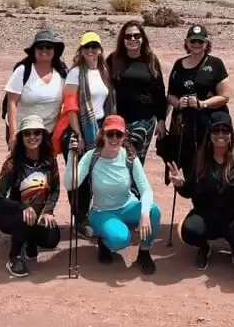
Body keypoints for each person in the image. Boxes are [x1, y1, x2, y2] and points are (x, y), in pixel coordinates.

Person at [167, 110, 234, 270]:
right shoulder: (200, 158)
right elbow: (189, 192)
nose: (221, 135)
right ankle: (204, 247)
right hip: (207, 215)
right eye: (216, 130)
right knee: (188, 231)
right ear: (210, 133)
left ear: (231, 134)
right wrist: (180, 185)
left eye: (225, 130)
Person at [65, 115, 162, 275]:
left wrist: (144, 213)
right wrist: (71, 155)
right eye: (110, 134)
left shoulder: (129, 157)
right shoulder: (92, 156)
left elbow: (146, 189)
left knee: (154, 211)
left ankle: (144, 252)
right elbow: (70, 184)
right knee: (120, 240)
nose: (114, 138)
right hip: (102, 212)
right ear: (103, 135)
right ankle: (104, 242)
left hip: (128, 207)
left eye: (119, 134)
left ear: (124, 136)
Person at [53, 31, 115, 237]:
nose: (91, 50)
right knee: (78, 177)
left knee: (93, 176)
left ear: (99, 49)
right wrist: (78, 134)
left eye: (94, 47)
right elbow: (70, 106)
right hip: (77, 128)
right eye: (87, 47)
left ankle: (92, 216)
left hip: (98, 128)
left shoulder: (104, 71)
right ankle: (79, 219)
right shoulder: (75, 73)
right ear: (81, 50)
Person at [0, 115, 61, 278]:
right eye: (27, 133)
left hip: (37, 213)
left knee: (51, 239)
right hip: (10, 214)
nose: (32, 137)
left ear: (43, 136)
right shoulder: (12, 163)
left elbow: (55, 190)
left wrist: (48, 211)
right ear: (21, 137)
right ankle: (14, 257)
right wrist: (23, 207)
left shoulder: (49, 160)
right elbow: (0, 199)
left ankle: (29, 240)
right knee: (26, 218)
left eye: (37, 133)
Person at [161, 24, 230, 181]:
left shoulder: (216, 64)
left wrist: (202, 103)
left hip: (208, 124)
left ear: (206, 43)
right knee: (189, 166)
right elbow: (170, 95)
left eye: (200, 41)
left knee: (210, 164)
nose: (197, 44)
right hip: (184, 127)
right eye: (193, 41)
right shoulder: (179, 65)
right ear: (187, 42)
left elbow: (224, 96)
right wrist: (179, 103)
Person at [107, 21, 167, 163]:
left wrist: (161, 120)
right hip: (119, 120)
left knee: (133, 160)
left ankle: (133, 185)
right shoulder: (113, 59)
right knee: (119, 160)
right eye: (128, 36)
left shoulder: (150, 60)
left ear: (142, 38)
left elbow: (159, 91)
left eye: (136, 36)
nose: (132, 39)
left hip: (144, 120)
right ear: (123, 39)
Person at [3, 30, 67, 149]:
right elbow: (11, 102)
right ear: (34, 50)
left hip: (47, 133)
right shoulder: (23, 71)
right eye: (40, 47)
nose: (44, 50)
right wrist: (13, 135)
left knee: (46, 166)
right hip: (23, 131)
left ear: (54, 50)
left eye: (49, 47)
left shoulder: (62, 74)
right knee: (21, 165)